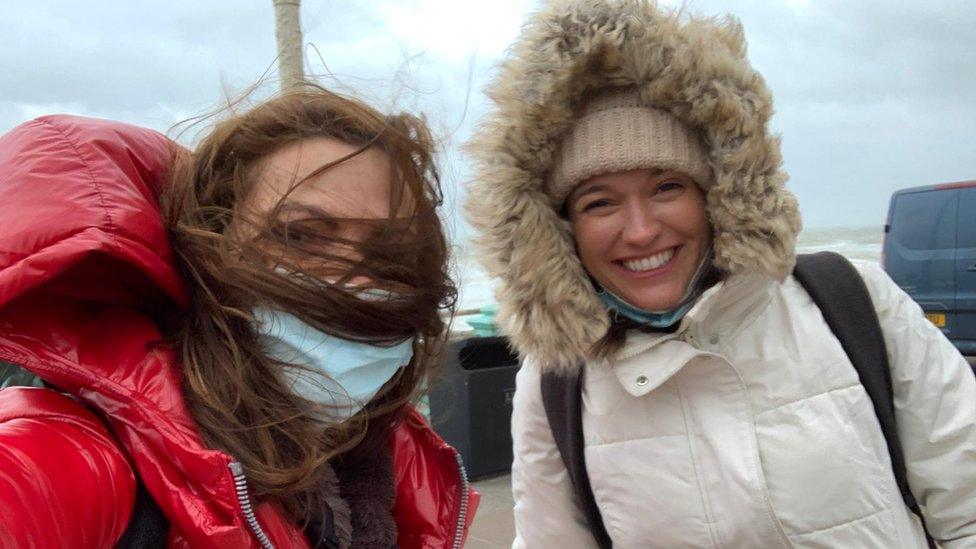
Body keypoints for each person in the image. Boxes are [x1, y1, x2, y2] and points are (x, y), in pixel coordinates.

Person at [465, 1, 976, 547]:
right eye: (599, 203)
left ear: (715, 195)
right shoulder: (556, 381)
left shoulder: (854, 302)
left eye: (667, 187)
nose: (640, 232)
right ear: (561, 228)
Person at [0, 84, 477, 548]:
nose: (352, 282)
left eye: (389, 252)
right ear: (208, 251)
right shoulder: (67, 461)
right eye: (300, 237)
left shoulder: (395, 479)